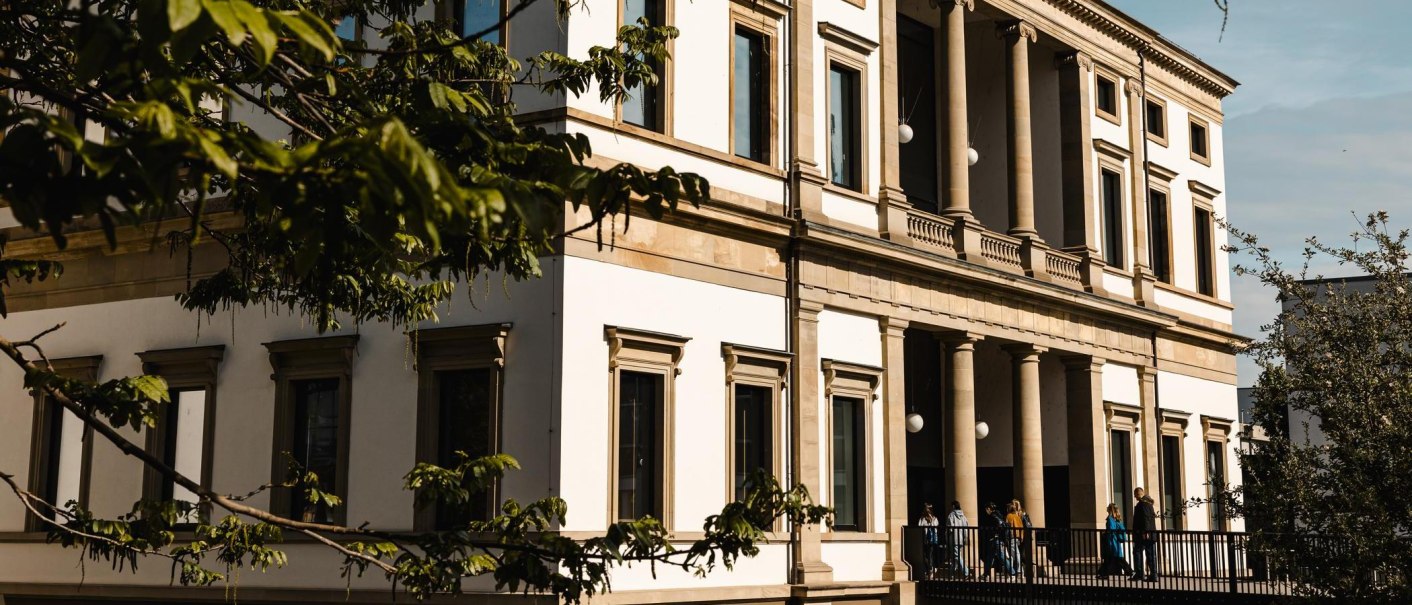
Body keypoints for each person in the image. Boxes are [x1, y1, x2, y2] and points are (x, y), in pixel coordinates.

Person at [1130, 487, 1159, 582]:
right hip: (1149, 534)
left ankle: (1140, 574)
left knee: (1138, 552)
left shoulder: (1143, 504)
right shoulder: (1148, 503)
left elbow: (1146, 518)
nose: (1134, 496)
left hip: (1143, 534)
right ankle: (1153, 575)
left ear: (1138, 493)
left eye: (1135, 494)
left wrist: (1145, 532)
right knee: (1150, 554)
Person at [1098, 503, 1134, 580]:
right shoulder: (1116, 519)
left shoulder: (1110, 519)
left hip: (1112, 540)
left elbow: (1111, 529)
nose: (1107, 508)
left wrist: (1105, 533)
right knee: (1112, 558)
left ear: (1110, 509)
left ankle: (1130, 571)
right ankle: (1103, 573)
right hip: (1115, 540)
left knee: (1115, 558)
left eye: (1108, 507)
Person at [980, 502, 1015, 577]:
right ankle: (986, 574)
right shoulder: (999, 515)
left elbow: (997, 527)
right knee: (989, 557)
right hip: (997, 539)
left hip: (995, 539)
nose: (986, 511)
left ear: (988, 509)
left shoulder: (993, 516)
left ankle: (1012, 572)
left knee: (1001, 557)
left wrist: (992, 534)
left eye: (986, 509)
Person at [944, 500, 971, 577]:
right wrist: (965, 537)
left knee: (956, 556)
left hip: (954, 538)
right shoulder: (963, 516)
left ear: (953, 506)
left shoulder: (951, 515)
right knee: (955, 556)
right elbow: (966, 528)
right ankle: (951, 574)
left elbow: (950, 528)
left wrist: (946, 536)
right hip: (961, 538)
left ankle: (966, 572)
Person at [917, 503, 941, 579]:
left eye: (927, 508)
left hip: (928, 539)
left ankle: (930, 569)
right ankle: (930, 569)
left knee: (928, 554)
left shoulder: (930, 518)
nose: (925, 510)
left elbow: (920, 527)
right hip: (928, 539)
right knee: (926, 555)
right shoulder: (926, 518)